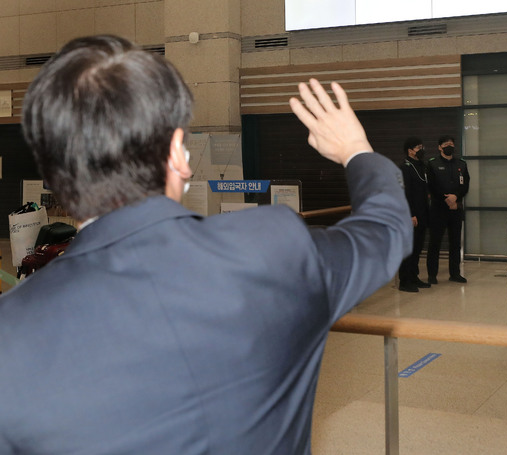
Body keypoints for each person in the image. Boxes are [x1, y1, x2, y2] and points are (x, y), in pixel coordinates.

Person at [0, 35, 411, 454]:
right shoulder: (274, 249)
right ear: (179, 154)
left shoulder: (10, 334)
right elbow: (386, 230)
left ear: (55, 177)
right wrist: (355, 150)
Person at [426, 135, 470, 284]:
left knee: (455, 243)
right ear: (440, 147)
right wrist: (446, 200)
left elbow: (465, 185)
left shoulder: (461, 164)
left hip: (455, 209)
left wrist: (455, 197)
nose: (449, 146)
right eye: (445, 144)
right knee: (435, 243)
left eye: (451, 144)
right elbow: (431, 186)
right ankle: (432, 275)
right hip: (438, 209)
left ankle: (455, 273)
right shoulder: (432, 164)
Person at [397, 137, 431, 292]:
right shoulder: (405, 167)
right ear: (410, 150)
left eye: (421, 146)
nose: (421, 149)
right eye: (418, 147)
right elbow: (405, 193)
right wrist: (410, 214)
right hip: (410, 214)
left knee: (417, 248)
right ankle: (404, 281)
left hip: (422, 212)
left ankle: (414, 276)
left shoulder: (421, 165)